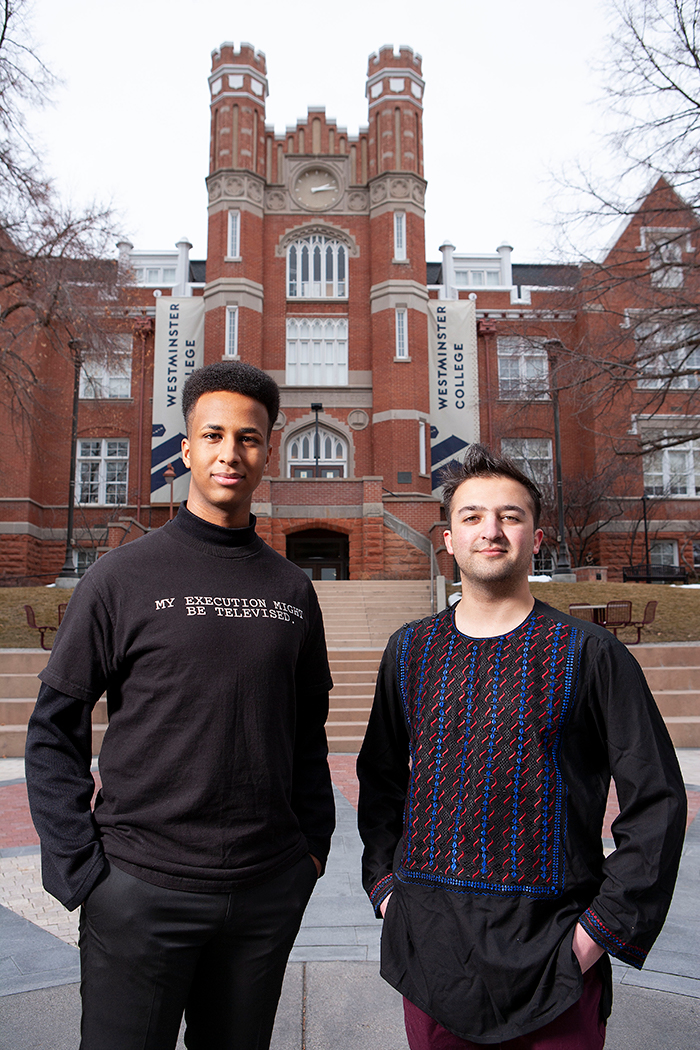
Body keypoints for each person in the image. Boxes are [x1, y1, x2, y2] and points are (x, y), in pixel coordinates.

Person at [25, 360, 335, 1050]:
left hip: (264, 892)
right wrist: (83, 870)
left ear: (267, 450)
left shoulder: (291, 589)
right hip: (138, 888)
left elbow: (306, 734)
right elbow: (54, 731)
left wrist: (310, 851)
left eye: (249, 438)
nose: (232, 454)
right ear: (188, 448)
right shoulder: (120, 576)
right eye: (215, 436)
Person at [357, 444, 687, 1049]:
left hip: (554, 950)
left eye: (510, 516)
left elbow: (658, 799)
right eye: (473, 516)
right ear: (449, 540)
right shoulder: (409, 651)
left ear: (537, 537)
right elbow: (380, 780)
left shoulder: (589, 653)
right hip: (432, 949)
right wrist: (385, 892)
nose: (492, 530)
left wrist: (599, 933)